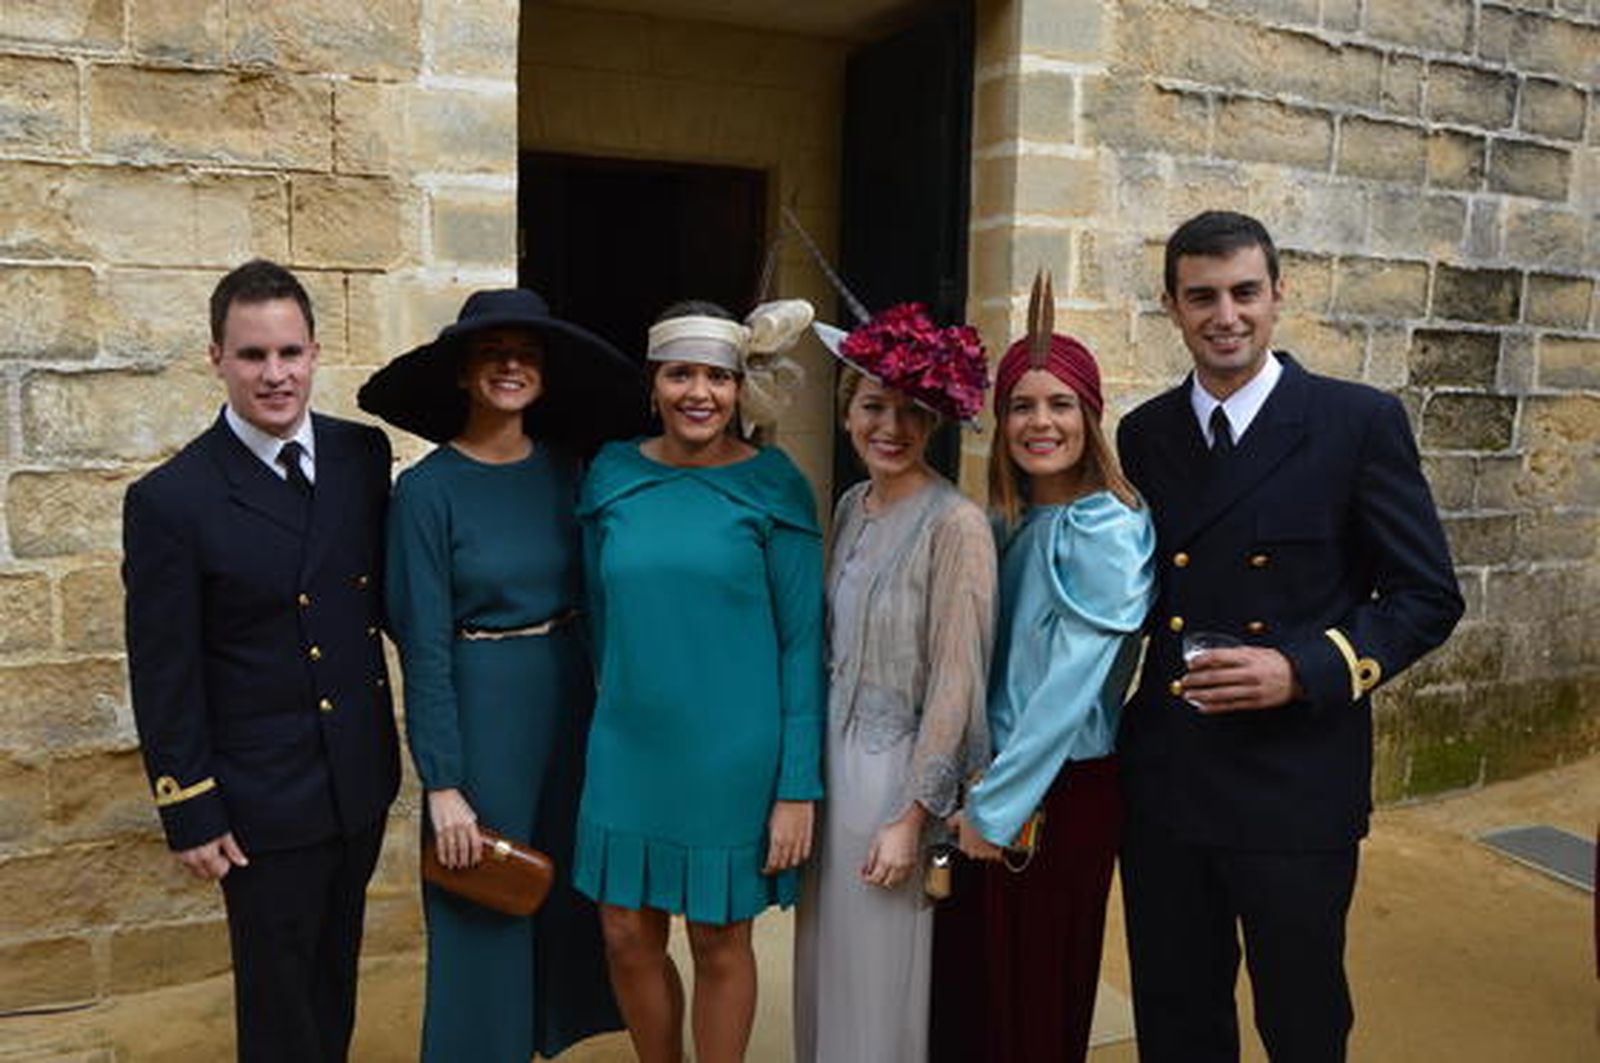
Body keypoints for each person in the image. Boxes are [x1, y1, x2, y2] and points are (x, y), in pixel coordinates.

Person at [1115, 211, 1464, 1062]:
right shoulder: (1145, 433)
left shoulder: (1356, 422)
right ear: (1171, 305)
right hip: (1170, 777)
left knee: (1302, 1020)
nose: (1225, 315)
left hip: (1295, 780)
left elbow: (1426, 594)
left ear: (1279, 294)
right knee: (1176, 1017)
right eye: (1202, 296)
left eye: (1244, 292)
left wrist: (1303, 668)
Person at [122, 259, 400, 1062]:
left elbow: (377, 599)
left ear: (315, 352)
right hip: (261, 799)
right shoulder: (172, 499)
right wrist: (191, 806)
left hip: (358, 776)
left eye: (289, 352)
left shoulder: (360, 454)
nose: (274, 374)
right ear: (217, 358)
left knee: (333, 980)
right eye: (252, 355)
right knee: (280, 1005)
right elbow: (164, 668)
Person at [359, 289, 641, 1060]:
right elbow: (422, 644)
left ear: (544, 373)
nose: (510, 365)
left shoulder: (570, 472)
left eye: (526, 353)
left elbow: (603, 599)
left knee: (561, 898)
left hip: (568, 702)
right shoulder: (426, 490)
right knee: (484, 894)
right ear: (462, 372)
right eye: (491, 352)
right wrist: (443, 782)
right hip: (480, 709)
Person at [573, 300, 823, 1063]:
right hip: (628, 745)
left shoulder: (774, 486)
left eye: (718, 376)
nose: (699, 393)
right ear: (653, 384)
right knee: (624, 932)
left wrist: (796, 786)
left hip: (731, 756)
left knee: (718, 935)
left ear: (741, 388)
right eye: (680, 374)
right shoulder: (611, 474)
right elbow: (597, 615)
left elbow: (802, 644)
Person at [930, 272, 1155, 1063]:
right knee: (976, 990)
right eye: (1021, 406)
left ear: (1089, 415)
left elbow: (1068, 689)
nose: (1040, 421)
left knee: (1031, 992)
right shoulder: (1007, 518)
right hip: (988, 778)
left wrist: (996, 808)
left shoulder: (1109, 528)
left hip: (1056, 787)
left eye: (1061, 404)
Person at [794, 303, 996, 1063]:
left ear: (935, 422)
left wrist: (912, 816)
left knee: (878, 977)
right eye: (875, 406)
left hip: (894, 777)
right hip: (831, 765)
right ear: (848, 411)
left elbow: (956, 678)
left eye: (913, 412)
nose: (892, 427)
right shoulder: (852, 505)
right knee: (827, 966)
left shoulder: (957, 524)